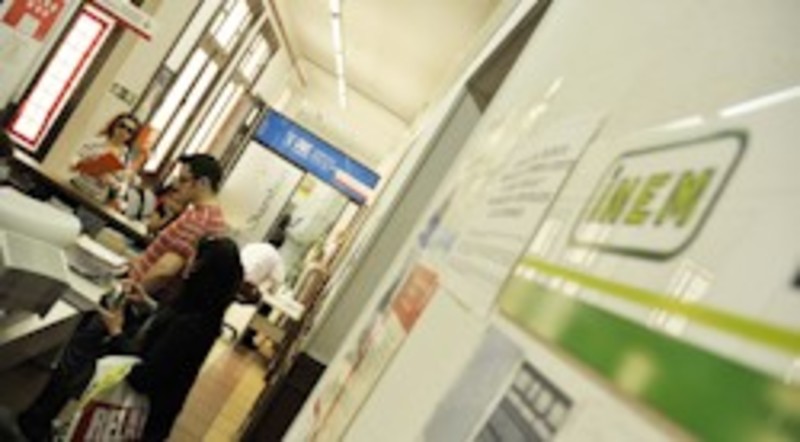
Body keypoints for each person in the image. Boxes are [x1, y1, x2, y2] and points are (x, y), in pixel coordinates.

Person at [19, 236, 244, 441]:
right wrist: (147, 304)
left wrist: (116, 332)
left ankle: (35, 423)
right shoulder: (203, 313)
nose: (188, 261)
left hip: (140, 415)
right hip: (155, 412)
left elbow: (144, 375)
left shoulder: (191, 325)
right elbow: (168, 337)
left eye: (194, 257)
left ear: (199, 268)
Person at [70, 113, 142, 203]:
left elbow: (123, 188)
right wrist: (84, 163)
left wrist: (113, 183)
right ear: (114, 125)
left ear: (132, 136)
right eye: (122, 126)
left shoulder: (126, 157)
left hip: (96, 199)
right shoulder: (95, 142)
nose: (123, 131)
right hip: (76, 188)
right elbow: (72, 164)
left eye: (129, 131)